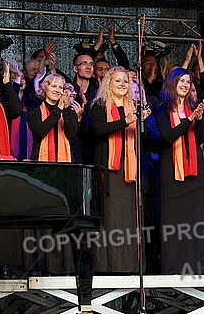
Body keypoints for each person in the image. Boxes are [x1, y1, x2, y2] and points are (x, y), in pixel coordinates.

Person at [90, 66, 149, 272]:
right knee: (112, 218)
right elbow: (99, 130)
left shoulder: (133, 106)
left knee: (129, 220)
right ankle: (110, 266)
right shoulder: (99, 105)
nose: (123, 84)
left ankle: (130, 266)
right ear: (108, 83)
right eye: (117, 81)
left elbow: (146, 140)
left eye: (125, 81)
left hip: (130, 170)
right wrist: (126, 121)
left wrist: (143, 122)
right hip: (110, 169)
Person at [153, 67, 204, 274]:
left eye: (188, 82)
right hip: (172, 169)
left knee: (196, 217)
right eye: (181, 81)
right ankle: (173, 268)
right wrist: (189, 119)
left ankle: (197, 266)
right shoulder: (161, 109)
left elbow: (201, 139)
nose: (185, 85)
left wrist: (199, 119)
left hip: (196, 169)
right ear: (172, 84)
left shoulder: (193, 107)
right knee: (175, 219)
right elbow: (168, 136)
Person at [27, 73, 78, 162]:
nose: (57, 90)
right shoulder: (34, 112)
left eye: (61, 87)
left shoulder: (69, 112)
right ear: (44, 88)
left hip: (65, 162)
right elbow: (41, 131)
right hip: (40, 161)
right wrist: (58, 109)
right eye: (54, 86)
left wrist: (65, 109)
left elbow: (71, 134)